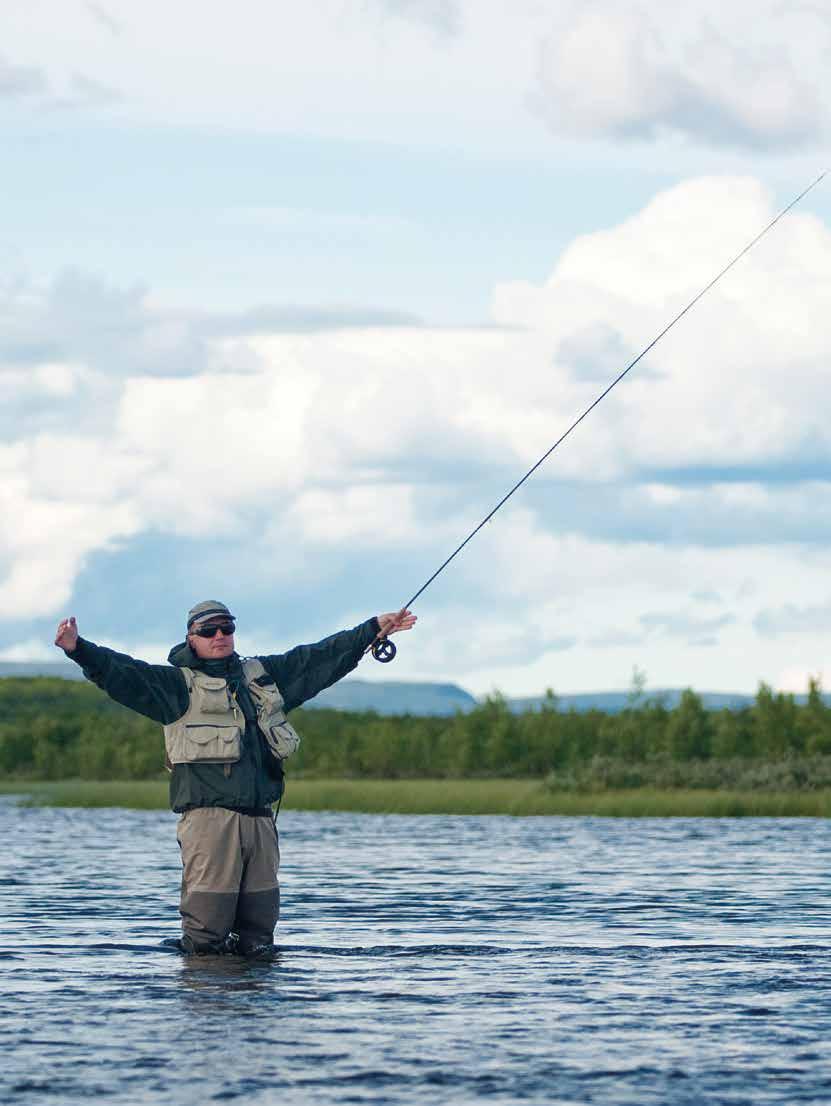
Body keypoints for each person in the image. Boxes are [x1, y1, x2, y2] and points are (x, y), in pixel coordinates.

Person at [54, 602, 416, 957]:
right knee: (207, 934)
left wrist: (371, 629)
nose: (219, 636)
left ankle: (255, 1011)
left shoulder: (262, 676)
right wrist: (78, 649)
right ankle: (208, 1008)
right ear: (191, 638)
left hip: (260, 821)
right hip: (210, 823)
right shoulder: (174, 686)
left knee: (259, 938)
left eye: (226, 628)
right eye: (208, 630)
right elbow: (122, 673)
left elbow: (317, 658)